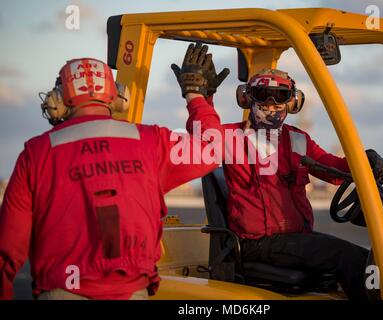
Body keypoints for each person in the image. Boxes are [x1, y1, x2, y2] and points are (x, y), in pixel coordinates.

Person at [0, 43, 224, 300]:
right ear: (117, 96)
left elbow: (9, 244)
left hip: (63, 290)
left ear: (58, 100)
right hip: (130, 291)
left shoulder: (37, 153)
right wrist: (196, 96)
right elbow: (212, 149)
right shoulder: (150, 141)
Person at [190, 65, 383, 300]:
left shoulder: (298, 139)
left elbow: (333, 169)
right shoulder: (232, 138)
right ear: (247, 98)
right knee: (346, 257)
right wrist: (202, 99)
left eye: (280, 96)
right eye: (263, 95)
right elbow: (202, 136)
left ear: (292, 103)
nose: (271, 103)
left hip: (295, 239)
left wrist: (362, 163)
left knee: (368, 260)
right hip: (258, 244)